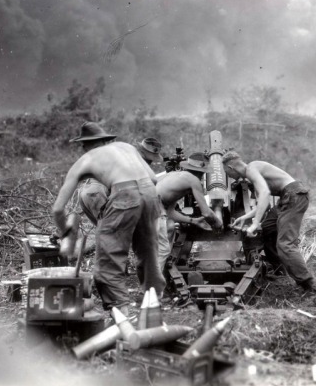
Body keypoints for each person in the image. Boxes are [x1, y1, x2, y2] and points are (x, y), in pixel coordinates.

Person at [52, 122, 166, 312]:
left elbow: (57, 209)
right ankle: (153, 304)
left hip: (124, 195)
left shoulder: (86, 159)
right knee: (148, 250)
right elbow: (153, 179)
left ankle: (122, 314)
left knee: (108, 262)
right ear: (106, 139)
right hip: (150, 193)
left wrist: (66, 233)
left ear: (85, 144)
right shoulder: (127, 147)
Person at [222, 151, 316, 292]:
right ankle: (281, 271)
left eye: (227, 172)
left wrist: (255, 223)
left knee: (285, 244)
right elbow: (264, 204)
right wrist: (245, 217)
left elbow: (265, 194)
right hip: (286, 198)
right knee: (266, 230)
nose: (229, 177)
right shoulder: (252, 177)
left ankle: (309, 285)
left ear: (231, 167)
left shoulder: (252, 168)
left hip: (294, 195)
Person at [156, 152, 223, 268]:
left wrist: (193, 221)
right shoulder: (193, 180)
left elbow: (170, 212)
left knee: (166, 235)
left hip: (149, 205)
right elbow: (206, 213)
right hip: (153, 207)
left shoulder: (175, 176)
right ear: (202, 172)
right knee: (162, 250)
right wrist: (218, 224)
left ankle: (154, 279)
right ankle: (154, 284)